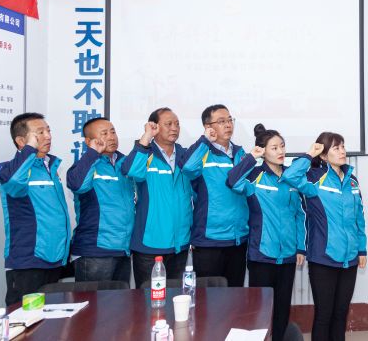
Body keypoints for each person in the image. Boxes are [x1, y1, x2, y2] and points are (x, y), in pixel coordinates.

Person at [284, 132, 367, 341]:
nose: (342, 151)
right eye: (336, 148)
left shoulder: (352, 181)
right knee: (324, 315)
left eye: (343, 146)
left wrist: (362, 249)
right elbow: (290, 176)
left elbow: (359, 218)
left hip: (350, 258)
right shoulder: (314, 179)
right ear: (323, 155)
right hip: (323, 258)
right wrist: (309, 154)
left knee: (341, 314)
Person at [226, 124, 305, 341]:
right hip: (262, 255)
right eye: (274, 148)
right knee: (260, 310)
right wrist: (252, 157)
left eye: (282, 146)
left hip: (288, 255)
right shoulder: (254, 176)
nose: (280, 151)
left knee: (282, 308)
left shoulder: (291, 177)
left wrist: (300, 247)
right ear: (263, 151)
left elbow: (299, 215)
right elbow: (232, 181)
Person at [0, 113, 72, 305]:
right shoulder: (10, 171)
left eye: (48, 130)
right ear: (21, 141)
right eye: (39, 132)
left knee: (52, 317)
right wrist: (29, 149)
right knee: (26, 319)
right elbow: (15, 183)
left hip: (54, 258)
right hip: (28, 261)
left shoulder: (49, 167)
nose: (48, 136)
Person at [122, 107, 194, 288]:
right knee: (148, 300)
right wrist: (146, 138)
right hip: (150, 245)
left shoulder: (185, 156)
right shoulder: (145, 154)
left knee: (178, 298)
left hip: (180, 244)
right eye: (168, 124)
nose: (174, 128)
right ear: (154, 126)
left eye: (177, 124)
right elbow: (130, 171)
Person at [178, 104, 248, 286]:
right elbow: (187, 168)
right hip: (210, 241)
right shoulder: (201, 152)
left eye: (230, 120)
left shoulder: (240, 153)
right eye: (221, 121)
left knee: (236, 296)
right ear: (208, 127)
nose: (228, 125)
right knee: (208, 298)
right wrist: (205, 140)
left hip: (238, 239)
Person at [66, 117, 134, 283]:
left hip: (123, 249)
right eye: (104, 133)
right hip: (94, 251)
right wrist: (92, 153)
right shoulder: (84, 165)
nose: (111, 137)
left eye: (113, 132)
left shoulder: (124, 164)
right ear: (88, 141)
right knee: (92, 300)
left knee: (121, 298)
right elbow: (77, 185)